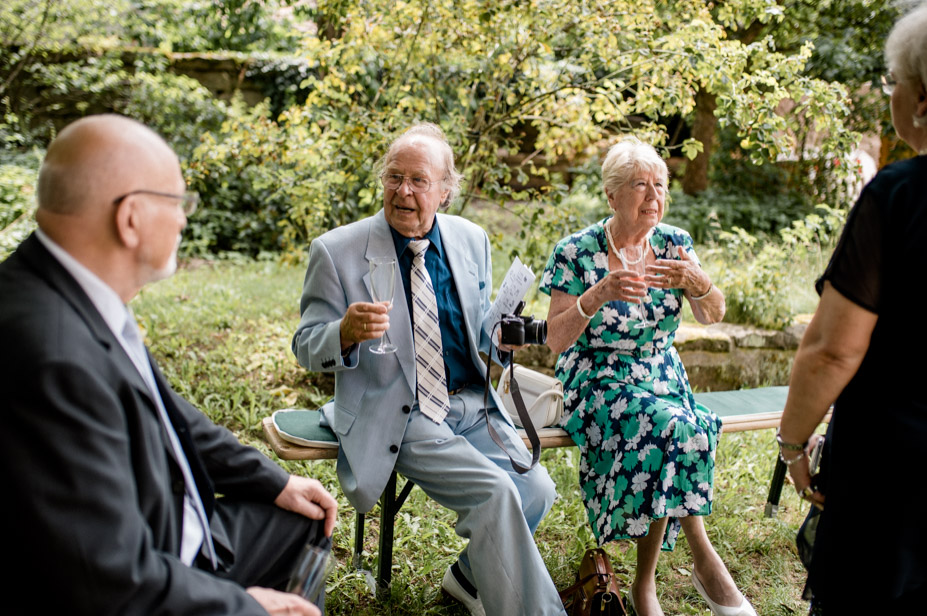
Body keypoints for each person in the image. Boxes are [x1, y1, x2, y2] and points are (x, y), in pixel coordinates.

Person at [0, 114, 338, 616]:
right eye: (178, 202)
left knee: (305, 517)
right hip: (150, 573)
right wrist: (246, 606)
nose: (184, 219)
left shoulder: (67, 289)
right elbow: (107, 580)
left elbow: (167, 415)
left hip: (175, 530)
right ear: (131, 217)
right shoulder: (52, 355)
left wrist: (276, 481)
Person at [292, 122, 564, 616]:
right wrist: (345, 333)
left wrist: (499, 340)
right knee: (496, 493)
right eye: (394, 177)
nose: (403, 191)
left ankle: (465, 578)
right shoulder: (337, 251)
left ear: (445, 190)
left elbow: (480, 333)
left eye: (419, 180)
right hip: (401, 411)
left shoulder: (470, 239)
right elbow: (306, 347)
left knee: (537, 489)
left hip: (471, 403)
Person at [540, 137, 755, 616]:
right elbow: (556, 340)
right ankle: (694, 564)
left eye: (660, 185)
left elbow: (712, 313)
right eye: (640, 185)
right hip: (597, 377)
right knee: (677, 427)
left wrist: (700, 283)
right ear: (612, 196)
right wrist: (599, 293)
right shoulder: (576, 251)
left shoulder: (675, 244)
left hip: (661, 375)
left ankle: (647, 584)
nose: (654, 196)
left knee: (689, 427)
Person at [777, 4, 927, 614]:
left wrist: (793, 445)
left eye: (893, 82)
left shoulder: (899, 195)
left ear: (920, 97)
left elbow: (833, 348)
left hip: (896, 476)